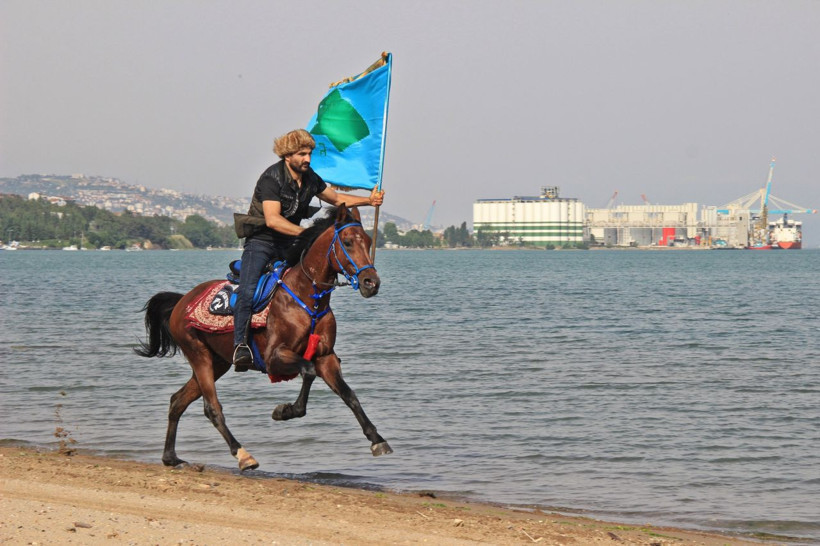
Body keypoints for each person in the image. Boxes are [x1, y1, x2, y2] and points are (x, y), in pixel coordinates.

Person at [231, 128, 384, 371]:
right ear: (287, 155)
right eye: (302, 153)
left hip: (289, 242)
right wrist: (307, 235)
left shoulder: (310, 177)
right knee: (248, 291)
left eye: (310, 153)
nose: (308, 159)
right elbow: (272, 220)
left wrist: (369, 200)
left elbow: (335, 199)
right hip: (261, 243)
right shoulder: (271, 179)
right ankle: (240, 345)